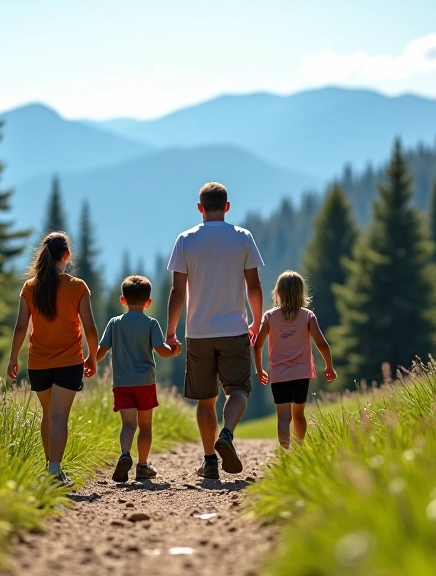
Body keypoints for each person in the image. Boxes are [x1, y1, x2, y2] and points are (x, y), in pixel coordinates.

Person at [166, 181, 265, 480]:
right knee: (238, 390)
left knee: (205, 399)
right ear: (227, 207)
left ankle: (209, 461)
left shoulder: (185, 240)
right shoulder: (243, 238)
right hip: (234, 328)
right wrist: (257, 322)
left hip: (198, 332)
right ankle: (227, 434)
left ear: (200, 209)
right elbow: (255, 286)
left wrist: (171, 332)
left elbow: (177, 292)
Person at [7, 232, 99, 487]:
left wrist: (13, 358)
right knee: (59, 417)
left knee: (48, 414)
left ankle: (51, 470)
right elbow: (90, 328)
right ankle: (54, 472)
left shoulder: (30, 287)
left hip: (38, 363)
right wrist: (92, 357)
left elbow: (20, 327)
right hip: (69, 361)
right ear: (66, 256)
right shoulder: (77, 287)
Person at [96, 275, 181, 482]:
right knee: (145, 426)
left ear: (122, 300)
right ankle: (142, 465)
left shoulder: (114, 323)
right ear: (148, 302)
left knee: (128, 425)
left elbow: (101, 351)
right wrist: (174, 351)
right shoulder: (151, 323)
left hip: (122, 384)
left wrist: (88, 364)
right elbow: (161, 351)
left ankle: (125, 454)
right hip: (144, 382)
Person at [252, 271, 337, 449]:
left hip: (279, 375)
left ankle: (285, 450)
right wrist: (329, 366)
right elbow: (321, 343)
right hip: (301, 374)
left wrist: (260, 369)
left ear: (278, 292)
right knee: (299, 415)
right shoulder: (307, 316)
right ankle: (299, 449)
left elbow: (258, 345)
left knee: (283, 418)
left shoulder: (270, 317)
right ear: (301, 293)